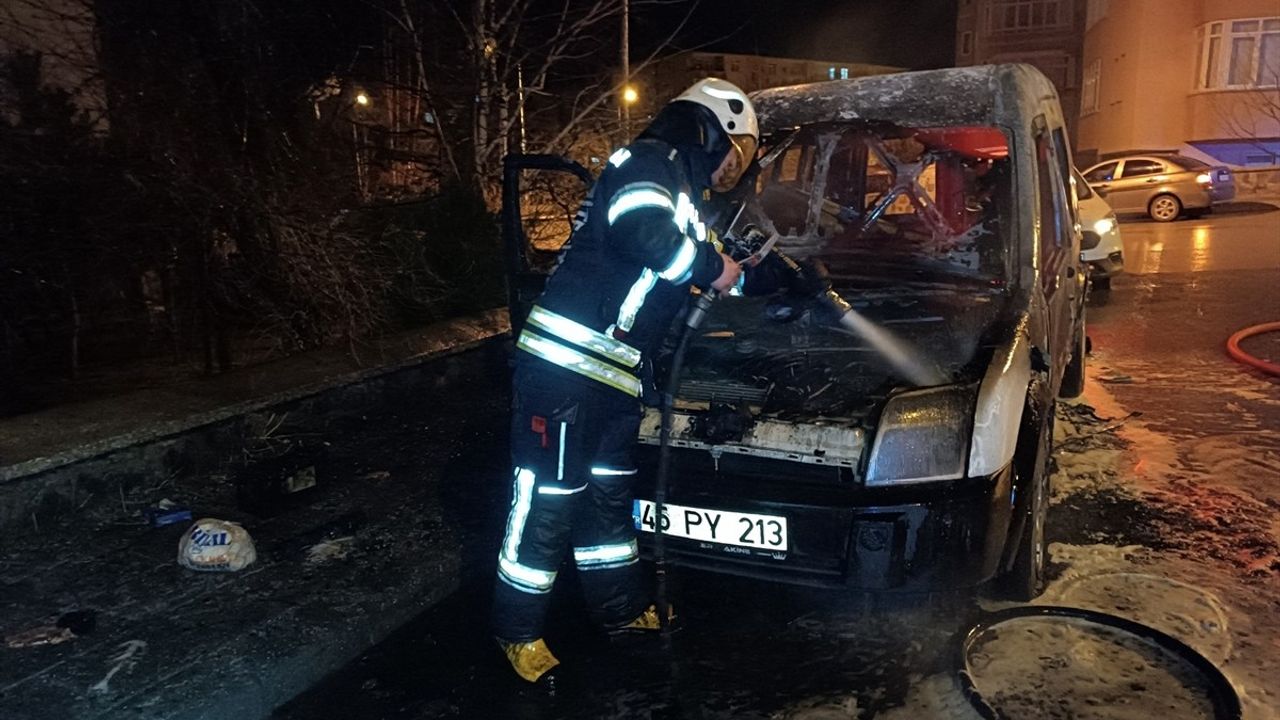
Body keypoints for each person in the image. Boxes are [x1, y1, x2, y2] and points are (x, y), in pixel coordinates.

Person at [492, 78, 759, 687]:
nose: (729, 168)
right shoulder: (649, 163)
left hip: (614, 375)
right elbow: (642, 232)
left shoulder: (683, 194)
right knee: (547, 504)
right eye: (733, 151)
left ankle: (618, 611)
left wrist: (771, 279)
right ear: (710, 129)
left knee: (608, 502)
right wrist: (714, 266)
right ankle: (517, 631)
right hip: (563, 371)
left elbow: (717, 266)